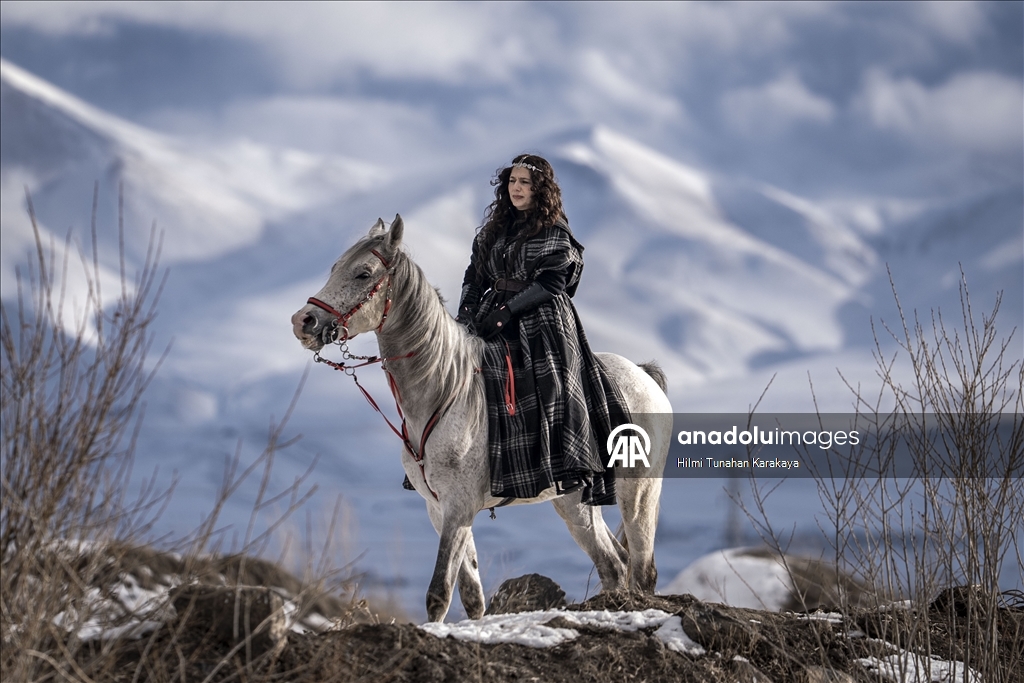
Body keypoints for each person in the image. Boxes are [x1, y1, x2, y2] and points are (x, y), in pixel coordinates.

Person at [456, 153, 629, 506]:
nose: (516, 188)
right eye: (512, 181)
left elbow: (552, 282)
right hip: (493, 312)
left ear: (540, 189)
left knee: (551, 382)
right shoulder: (494, 231)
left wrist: (507, 313)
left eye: (525, 183)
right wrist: (466, 314)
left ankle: (563, 463)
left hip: (542, 318)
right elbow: (475, 276)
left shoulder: (553, 230)